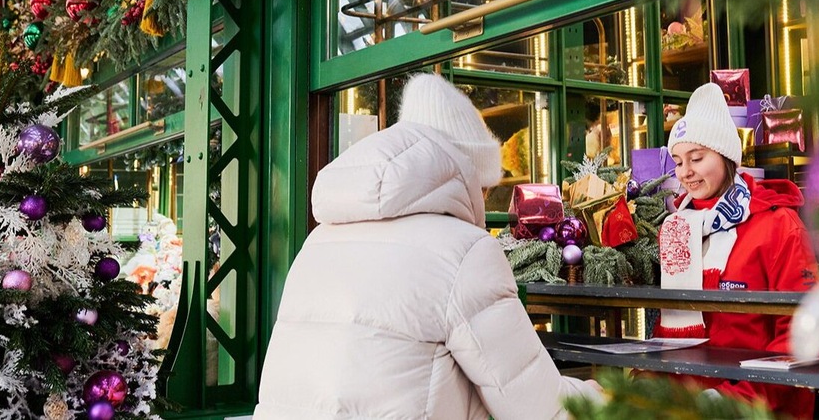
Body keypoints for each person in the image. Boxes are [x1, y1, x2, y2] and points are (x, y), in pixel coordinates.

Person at [255, 74, 602, 419]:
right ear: (463, 176)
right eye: (485, 187)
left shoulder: (318, 242)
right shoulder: (464, 252)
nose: (484, 199)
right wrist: (601, 397)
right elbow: (537, 406)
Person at [657, 82, 819, 419]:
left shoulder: (779, 225)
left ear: (727, 156)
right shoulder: (679, 228)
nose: (685, 172)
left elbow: (800, 339)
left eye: (696, 158)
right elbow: (666, 329)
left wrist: (729, 403)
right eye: (678, 161)